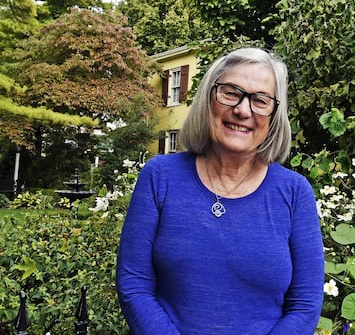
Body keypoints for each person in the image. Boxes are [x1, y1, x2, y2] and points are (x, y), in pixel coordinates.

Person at [116, 48, 324, 334]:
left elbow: (305, 305)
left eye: (260, 100)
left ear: (274, 115)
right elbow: (134, 284)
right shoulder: (160, 176)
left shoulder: (294, 192)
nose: (242, 109)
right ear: (208, 99)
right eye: (230, 92)